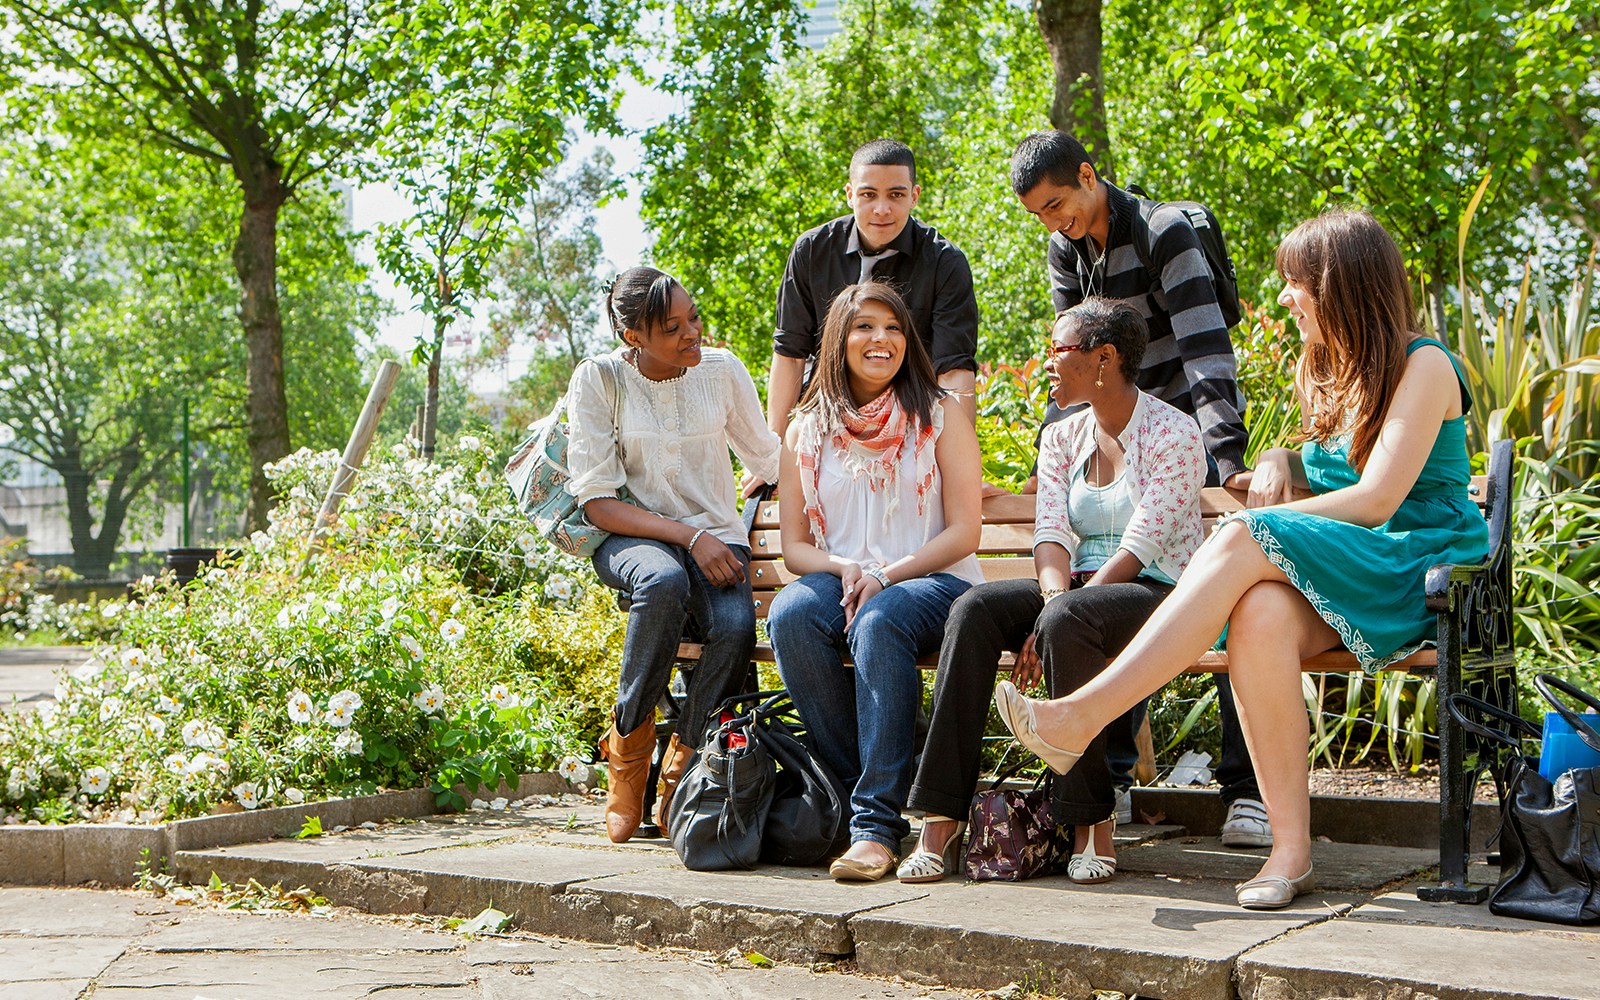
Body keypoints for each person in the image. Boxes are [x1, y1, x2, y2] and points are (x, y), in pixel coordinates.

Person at [993, 209, 1490, 909]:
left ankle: (1078, 717)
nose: (1285, 297)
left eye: (1297, 283)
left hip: (1420, 562)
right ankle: (1291, 852)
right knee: (1258, 613)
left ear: (1342, 284)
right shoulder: (1321, 367)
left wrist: (1259, 524)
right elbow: (1334, 476)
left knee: (1238, 538)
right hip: (1355, 560)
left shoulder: (1425, 363)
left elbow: (1378, 498)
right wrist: (1284, 458)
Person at [1010, 129, 1268, 846]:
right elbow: (1073, 355)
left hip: (1184, 436)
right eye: (1038, 214)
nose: (1051, 222)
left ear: (1089, 177)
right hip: (1117, 439)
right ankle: (1112, 776)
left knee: (1220, 598)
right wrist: (1055, 449)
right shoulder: (1067, 250)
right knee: (1105, 589)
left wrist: (1225, 458)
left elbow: (1203, 344)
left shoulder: (1164, 232)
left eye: (1057, 204)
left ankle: (1247, 790)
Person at [900, 298, 1205, 884]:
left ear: (1104, 359)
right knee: (974, 609)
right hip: (1072, 593)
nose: (1047, 363)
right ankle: (941, 815)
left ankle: (1092, 822)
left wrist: (1058, 612)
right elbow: (1051, 532)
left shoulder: (1174, 431)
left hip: (1158, 592)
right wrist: (1049, 599)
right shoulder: (1062, 436)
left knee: (1071, 623)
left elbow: (1142, 545)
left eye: (1059, 350)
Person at [766, 281, 983, 881]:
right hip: (848, 581)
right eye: (864, 327)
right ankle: (855, 784)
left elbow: (965, 532)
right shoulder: (805, 429)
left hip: (934, 581)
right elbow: (794, 549)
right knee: (790, 614)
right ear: (839, 339)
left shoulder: (939, 414)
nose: (880, 339)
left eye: (892, 327)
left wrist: (886, 575)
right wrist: (846, 569)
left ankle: (875, 827)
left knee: (880, 617)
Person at [565, 266, 781, 844]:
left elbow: (767, 455)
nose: (694, 334)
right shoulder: (601, 379)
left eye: (695, 318)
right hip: (632, 536)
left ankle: (681, 765)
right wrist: (687, 538)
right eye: (673, 328)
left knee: (734, 627)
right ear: (633, 336)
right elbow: (597, 502)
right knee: (661, 582)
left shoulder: (721, 370)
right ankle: (628, 753)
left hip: (717, 534)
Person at [762, 138, 980, 449]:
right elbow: (790, 354)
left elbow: (953, 371)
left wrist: (959, 459)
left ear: (914, 196)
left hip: (909, 422)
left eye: (896, 195)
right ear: (850, 194)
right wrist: (775, 451)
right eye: (868, 194)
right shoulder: (812, 251)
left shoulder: (944, 263)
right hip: (824, 414)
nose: (882, 209)